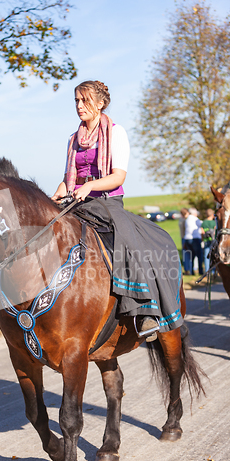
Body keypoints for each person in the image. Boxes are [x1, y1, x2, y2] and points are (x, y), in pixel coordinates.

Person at [52, 80, 183, 341]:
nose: (79, 106)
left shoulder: (116, 132)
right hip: (77, 202)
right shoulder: (72, 138)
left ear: (100, 103)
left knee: (131, 242)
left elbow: (118, 177)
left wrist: (89, 187)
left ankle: (146, 309)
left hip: (107, 203)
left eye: (85, 100)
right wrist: (59, 191)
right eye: (76, 100)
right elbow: (70, 177)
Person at [183, 208, 203, 275]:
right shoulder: (195, 219)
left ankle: (192, 271)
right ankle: (200, 271)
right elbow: (202, 225)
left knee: (192, 256)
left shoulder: (187, 219)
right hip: (195, 238)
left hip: (187, 239)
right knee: (199, 255)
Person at [201, 209, 216, 273]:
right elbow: (215, 231)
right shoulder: (214, 222)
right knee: (214, 256)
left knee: (206, 256)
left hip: (206, 240)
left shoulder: (204, 222)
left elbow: (202, 232)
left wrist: (202, 240)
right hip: (213, 241)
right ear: (212, 215)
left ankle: (207, 271)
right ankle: (213, 271)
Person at [178, 208, 190, 275]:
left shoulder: (180, 220)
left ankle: (186, 269)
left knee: (185, 254)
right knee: (188, 254)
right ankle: (188, 269)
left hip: (182, 237)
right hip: (186, 237)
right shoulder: (185, 220)